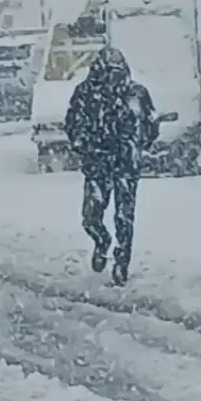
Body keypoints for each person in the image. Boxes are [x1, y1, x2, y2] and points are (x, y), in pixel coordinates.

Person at [64, 46, 157, 286]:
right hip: (97, 163)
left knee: (124, 217)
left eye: (116, 73)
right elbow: (73, 123)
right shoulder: (84, 92)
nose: (111, 79)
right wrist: (83, 144)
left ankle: (122, 261)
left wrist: (137, 145)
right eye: (107, 73)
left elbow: (150, 124)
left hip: (126, 165)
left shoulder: (137, 93)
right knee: (90, 216)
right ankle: (102, 240)